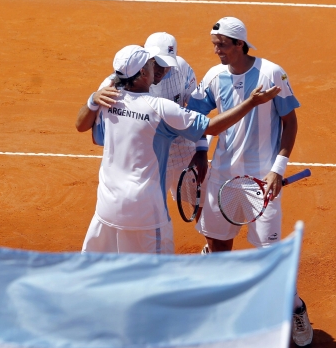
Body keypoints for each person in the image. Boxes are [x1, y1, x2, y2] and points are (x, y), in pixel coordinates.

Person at [75, 44, 280, 255]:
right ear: (144, 73)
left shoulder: (108, 100)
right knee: (156, 278)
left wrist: (92, 99)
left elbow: (86, 130)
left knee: (97, 270)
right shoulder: (160, 108)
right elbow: (212, 127)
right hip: (145, 213)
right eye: (151, 63)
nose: (157, 67)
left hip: (106, 208)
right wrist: (251, 102)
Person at [186, 17, 313, 347]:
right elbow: (200, 122)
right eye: (215, 45)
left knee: (270, 256)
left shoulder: (272, 73)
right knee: (218, 250)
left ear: (240, 44)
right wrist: (201, 154)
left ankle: (296, 307)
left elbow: (290, 123)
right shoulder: (214, 76)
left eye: (222, 45)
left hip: (261, 180)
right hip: (222, 175)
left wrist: (277, 169)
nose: (217, 51)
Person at [79, 32, 209, 196]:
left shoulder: (182, 68)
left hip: (182, 146)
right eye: (157, 64)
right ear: (146, 60)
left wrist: (201, 148)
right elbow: (90, 131)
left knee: (200, 199)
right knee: (152, 206)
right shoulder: (116, 83)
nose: (162, 70)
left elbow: (194, 111)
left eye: (167, 64)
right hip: (148, 156)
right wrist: (93, 99)